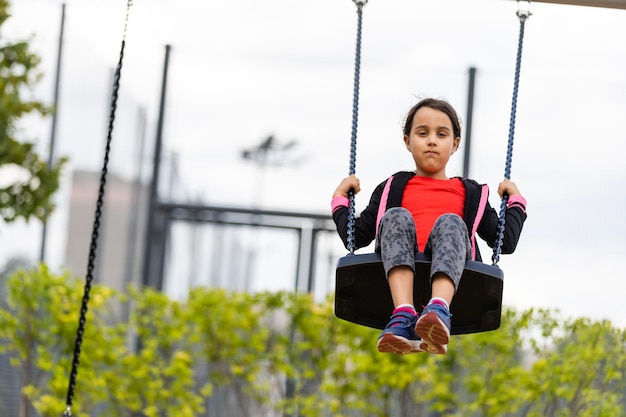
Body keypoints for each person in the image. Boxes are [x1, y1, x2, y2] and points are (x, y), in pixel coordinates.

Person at [331, 97, 527, 355]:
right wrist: (340, 200)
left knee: (451, 222)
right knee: (396, 216)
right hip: (395, 274)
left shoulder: (470, 192)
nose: (432, 140)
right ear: (407, 141)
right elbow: (355, 238)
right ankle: (403, 315)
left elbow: (505, 241)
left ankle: (438, 310)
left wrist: (515, 201)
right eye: (422, 133)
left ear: (455, 143)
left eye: (441, 134)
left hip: (457, 281)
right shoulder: (392, 187)